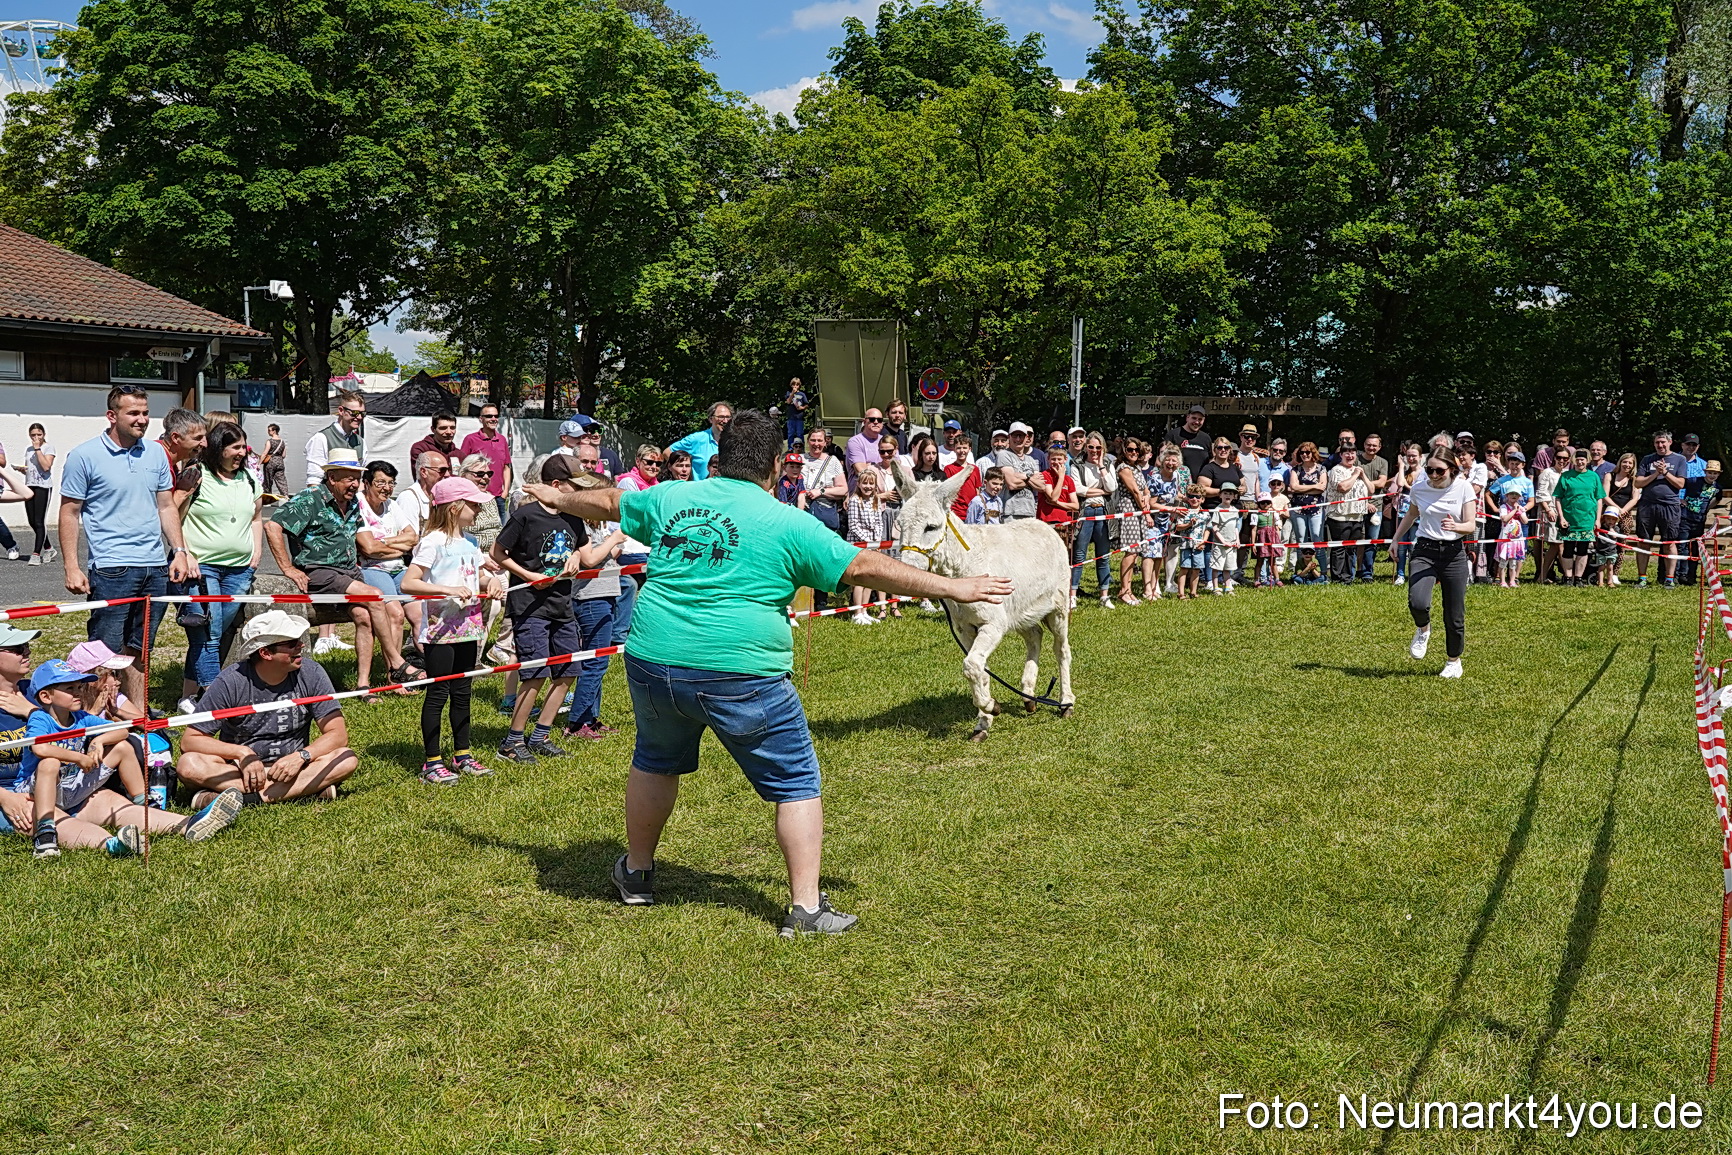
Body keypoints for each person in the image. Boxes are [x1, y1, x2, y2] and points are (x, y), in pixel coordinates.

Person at [522, 408, 1012, 935]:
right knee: (796, 780)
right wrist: (955, 586)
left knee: (655, 760)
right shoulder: (788, 522)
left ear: (718, 458)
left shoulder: (670, 496)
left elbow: (612, 501)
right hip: (742, 671)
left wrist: (559, 497)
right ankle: (805, 908)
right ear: (777, 466)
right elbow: (863, 566)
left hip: (654, 658)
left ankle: (637, 874)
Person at [58, 386, 199, 709]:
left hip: (153, 567)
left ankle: (137, 718)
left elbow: (166, 506)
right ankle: (98, 720)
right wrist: (71, 565)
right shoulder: (85, 455)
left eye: (146, 413)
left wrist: (178, 550)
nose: (142, 420)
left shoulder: (154, 454)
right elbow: (69, 511)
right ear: (112, 416)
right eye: (133, 413)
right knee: (104, 651)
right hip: (111, 568)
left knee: (140, 649)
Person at [264, 448, 421, 693]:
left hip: (349, 571)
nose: (355, 484)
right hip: (320, 571)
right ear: (332, 478)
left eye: (357, 478)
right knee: (375, 596)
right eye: (349, 478)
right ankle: (397, 663)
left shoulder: (352, 503)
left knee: (364, 616)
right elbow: (273, 526)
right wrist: (288, 568)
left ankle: (364, 686)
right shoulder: (310, 499)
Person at [492, 453, 616, 761]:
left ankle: (540, 735)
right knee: (534, 673)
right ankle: (512, 742)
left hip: (561, 605)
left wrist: (578, 554)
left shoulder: (573, 518)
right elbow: (498, 552)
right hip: (530, 606)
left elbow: (587, 558)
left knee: (567, 671)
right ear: (557, 485)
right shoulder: (527, 515)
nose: (583, 494)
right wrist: (529, 576)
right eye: (577, 487)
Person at [177, 611, 359, 806]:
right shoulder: (230, 681)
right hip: (239, 770)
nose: (301, 646)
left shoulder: (312, 672)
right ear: (265, 653)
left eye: (298, 640)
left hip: (295, 767)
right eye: (291, 643)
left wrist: (302, 756)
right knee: (188, 765)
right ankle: (301, 790)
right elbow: (190, 740)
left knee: (346, 758)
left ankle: (245, 799)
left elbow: (338, 734)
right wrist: (242, 753)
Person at [399, 477, 502, 784]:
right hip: (440, 631)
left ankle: (463, 754)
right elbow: (409, 582)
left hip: (469, 628)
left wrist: (490, 582)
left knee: (463, 693)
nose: (478, 509)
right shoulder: (432, 541)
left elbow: (475, 576)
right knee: (438, 693)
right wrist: (447, 590)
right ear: (455, 507)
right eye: (472, 504)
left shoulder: (471, 542)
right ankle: (431, 762)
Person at [176, 420, 264, 714]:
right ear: (218, 448)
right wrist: (184, 554)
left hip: (239, 570)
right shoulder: (197, 475)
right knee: (210, 634)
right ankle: (217, 700)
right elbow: (175, 513)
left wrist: (256, 553)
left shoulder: (250, 479)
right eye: (235, 447)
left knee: (210, 634)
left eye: (244, 446)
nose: (242, 452)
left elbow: (256, 518)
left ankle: (189, 697)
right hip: (203, 569)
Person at [1393, 452, 1478, 678]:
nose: (1434, 475)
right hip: (1424, 550)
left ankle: (1453, 661)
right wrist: (1395, 539)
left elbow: (1470, 525)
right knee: (1418, 602)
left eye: (1439, 470)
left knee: (1454, 613)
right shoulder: (1420, 488)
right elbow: (1411, 514)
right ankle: (1423, 629)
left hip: (1454, 553)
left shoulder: (1463, 488)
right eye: (1429, 470)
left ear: (1452, 468)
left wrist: (1456, 527)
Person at [564, 477, 627, 739]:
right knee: (595, 662)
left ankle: (590, 718)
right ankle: (576, 723)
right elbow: (590, 561)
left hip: (606, 595)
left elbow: (602, 557)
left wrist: (612, 544)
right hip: (591, 600)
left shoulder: (595, 527)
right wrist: (614, 539)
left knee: (600, 660)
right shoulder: (581, 526)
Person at [1069, 433, 1116, 608]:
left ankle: (1104, 595)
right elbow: (1078, 489)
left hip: (1103, 511)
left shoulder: (1108, 465)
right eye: (1091, 447)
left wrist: (1101, 467)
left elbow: (1112, 487)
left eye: (1098, 448)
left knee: (1103, 555)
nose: (1094, 451)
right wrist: (1102, 491)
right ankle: (1072, 595)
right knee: (1079, 554)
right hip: (1085, 511)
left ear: (1103, 449)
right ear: (1086, 447)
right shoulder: (1077, 465)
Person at [846, 464, 895, 624]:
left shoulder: (875, 500)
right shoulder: (854, 501)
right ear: (859, 484)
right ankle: (857, 612)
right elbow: (853, 525)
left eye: (871, 484)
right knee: (859, 579)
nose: (868, 487)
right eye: (865, 483)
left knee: (870, 579)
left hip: (874, 544)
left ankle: (865, 610)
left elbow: (878, 521)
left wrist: (877, 540)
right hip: (858, 545)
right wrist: (868, 542)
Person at [1113, 439, 1156, 603]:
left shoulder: (1136, 468)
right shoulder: (1123, 468)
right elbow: (1135, 492)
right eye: (1130, 450)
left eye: (1137, 450)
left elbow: (1145, 491)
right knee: (1130, 551)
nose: (1134, 453)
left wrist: (1145, 500)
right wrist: (1146, 512)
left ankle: (1129, 589)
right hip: (1129, 510)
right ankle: (1124, 590)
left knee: (1136, 551)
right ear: (1124, 450)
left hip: (1139, 509)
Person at [1555, 448, 1604, 586]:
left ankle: (1579, 578)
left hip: (1587, 519)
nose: (1580, 461)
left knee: (1583, 549)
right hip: (1569, 519)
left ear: (1587, 461)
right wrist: (1562, 517)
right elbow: (1558, 497)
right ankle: (1568, 577)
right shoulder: (1566, 476)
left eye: (1582, 459)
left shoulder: (1593, 477)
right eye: (1577, 459)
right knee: (1568, 548)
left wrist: (1597, 519)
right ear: (1573, 460)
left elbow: (1599, 499)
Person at [1323, 445, 1370, 584]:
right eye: (1346, 453)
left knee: (1351, 548)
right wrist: (1355, 475)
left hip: (1357, 515)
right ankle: (1337, 578)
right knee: (1339, 548)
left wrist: (1363, 475)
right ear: (1341, 455)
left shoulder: (1360, 470)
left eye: (1353, 453)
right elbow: (1342, 488)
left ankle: (1348, 577)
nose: (1350, 456)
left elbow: (1371, 489)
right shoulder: (1336, 470)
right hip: (1339, 515)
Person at [458, 403, 514, 520]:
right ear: (481, 419)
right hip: (477, 495)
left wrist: (505, 492)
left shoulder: (502, 440)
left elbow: (506, 467)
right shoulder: (470, 439)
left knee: (500, 532)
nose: (493, 419)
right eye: (489, 416)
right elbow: (462, 468)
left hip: (498, 497)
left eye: (495, 416)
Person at [305, 390, 366, 484]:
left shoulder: (361, 442)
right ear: (341, 411)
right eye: (354, 412)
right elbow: (314, 480)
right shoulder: (321, 438)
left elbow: (360, 479)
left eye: (362, 413)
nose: (359, 417)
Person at [988, 422, 1043, 521]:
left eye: (1021, 435)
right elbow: (1012, 484)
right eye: (1015, 435)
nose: (1018, 439)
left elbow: (1041, 486)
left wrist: (1024, 476)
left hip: (1030, 512)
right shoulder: (1004, 455)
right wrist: (1030, 479)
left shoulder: (1031, 460)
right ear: (1009, 437)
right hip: (1010, 513)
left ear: (1026, 437)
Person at [1681, 457, 1723, 585]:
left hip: (1699, 521)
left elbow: (1718, 499)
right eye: (1710, 472)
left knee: (1695, 548)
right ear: (1705, 472)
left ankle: (1691, 576)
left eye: (1715, 473)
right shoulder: (1693, 481)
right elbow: (1678, 486)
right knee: (1682, 546)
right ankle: (1680, 574)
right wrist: (1680, 500)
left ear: (1718, 474)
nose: (1712, 475)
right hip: (1685, 518)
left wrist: (1706, 509)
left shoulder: (1717, 488)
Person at [667, 402, 733, 481]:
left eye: (728, 417)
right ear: (710, 419)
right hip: (699, 491)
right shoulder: (697, 439)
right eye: (721, 417)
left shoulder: (735, 441)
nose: (725, 421)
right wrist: (685, 472)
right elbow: (667, 452)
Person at [799, 429, 847, 534]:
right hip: (802, 514)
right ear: (808, 441)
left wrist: (821, 491)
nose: (816, 444)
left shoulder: (833, 461)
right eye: (813, 440)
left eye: (820, 440)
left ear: (825, 442)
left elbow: (843, 489)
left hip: (824, 515)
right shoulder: (799, 460)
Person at [1389, 442, 1423, 585]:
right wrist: (1402, 468)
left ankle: (1414, 573)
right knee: (1401, 545)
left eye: (1414, 456)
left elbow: (1410, 487)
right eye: (1408, 456)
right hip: (1403, 513)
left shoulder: (1425, 473)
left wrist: (1403, 472)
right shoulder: (1405, 472)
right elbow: (1400, 483)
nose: (1411, 459)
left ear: (1420, 457)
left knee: (1414, 545)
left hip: (1418, 514)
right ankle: (1400, 574)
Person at [1358, 433, 1389, 579]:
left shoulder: (1383, 462)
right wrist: (1365, 501)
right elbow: (1353, 483)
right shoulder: (1356, 460)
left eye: (1374, 445)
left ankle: (1367, 573)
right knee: (1355, 540)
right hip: (1357, 506)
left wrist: (1363, 480)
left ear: (1379, 447)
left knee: (1372, 541)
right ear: (1364, 445)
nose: (1371, 448)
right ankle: (1353, 571)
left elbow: (1382, 483)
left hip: (1377, 508)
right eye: (1369, 445)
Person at [23, 423, 54, 565]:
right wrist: (23, 470)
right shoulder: (28, 449)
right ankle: (48, 547)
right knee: (31, 521)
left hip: (43, 486)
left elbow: (46, 466)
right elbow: (32, 468)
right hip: (30, 485)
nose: (36, 437)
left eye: (39, 434)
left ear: (44, 434)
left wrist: (38, 449)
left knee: (39, 521)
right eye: (33, 435)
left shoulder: (48, 448)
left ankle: (36, 554)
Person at [1533, 444, 1563, 583]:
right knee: (1555, 543)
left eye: (1565, 458)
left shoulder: (1568, 473)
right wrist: (1548, 509)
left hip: (1564, 512)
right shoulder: (1547, 472)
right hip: (1548, 510)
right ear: (1554, 458)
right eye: (1559, 458)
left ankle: (1567, 576)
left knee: (1560, 543)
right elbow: (1541, 493)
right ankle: (1542, 575)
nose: (1562, 461)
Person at [1175, 485, 1209, 599]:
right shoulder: (1184, 511)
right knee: (1184, 568)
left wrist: (1204, 541)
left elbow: (1208, 529)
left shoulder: (1205, 514)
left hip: (1198, 545)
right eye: (1191, 496)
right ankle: (1181, 593)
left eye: (1197, 497)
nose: (1194, 499)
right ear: (1187, 498)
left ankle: (1193, 592)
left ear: (1202, 499)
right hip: (1186, 545)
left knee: (1196, 569)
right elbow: (1178, 527)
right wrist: (1189, 524)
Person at [408, 411, 460, 477]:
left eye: (452, 428)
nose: (449, 432)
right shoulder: (421, 449)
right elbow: (421, 478)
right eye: (443, 428)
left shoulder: (459, 454)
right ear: (433, 429)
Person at [1162, 404, 1210, 476]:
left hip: (1200, 484)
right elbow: (1163, 458)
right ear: (1187, 417)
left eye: (1200, 419)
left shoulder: (1206, 438)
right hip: (1177, 481)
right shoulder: (1173, 435)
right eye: (1194, 418)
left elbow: (1211, 460)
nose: (1197, 422)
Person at [1494, 488, 1528, 587]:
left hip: (1516, 539)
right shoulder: (1504, 507)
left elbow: (1525, 521)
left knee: (1513, 562)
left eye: (1516, 494)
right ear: (1507, 496)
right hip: (1505, 538)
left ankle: (1512, 581)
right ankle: (1502, 581)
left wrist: (1520, 512)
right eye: (1511, 494)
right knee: (1503, 561)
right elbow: (1504, 519)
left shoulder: (1520, 508)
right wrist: (1513, 511)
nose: (1514, 496)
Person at [261, 423, 287, 496]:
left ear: (274, 431)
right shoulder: (282, 442)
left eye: (269, 430)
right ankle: (285, 496)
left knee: (268, 481)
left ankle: (267, 497)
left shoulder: (269, 441)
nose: (268, 432)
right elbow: (284, 455)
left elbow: (265, 453)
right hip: (280, 462)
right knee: (281, 480)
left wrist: (259, 463)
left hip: (270, 463)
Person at [783, 378, 808, 447]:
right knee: (791, 433)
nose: (795, 386)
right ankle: (790, 447)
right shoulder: (788, 393)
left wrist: (802, 408)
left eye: (797, 385)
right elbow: (788, 401)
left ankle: (801, 447)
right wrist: (793, 393)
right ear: (791, 385)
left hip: (799, 417)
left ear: (799, 385)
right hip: (791, 417)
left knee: (800, 433)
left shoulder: (802, 394)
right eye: (793, 384)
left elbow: (806, 404)